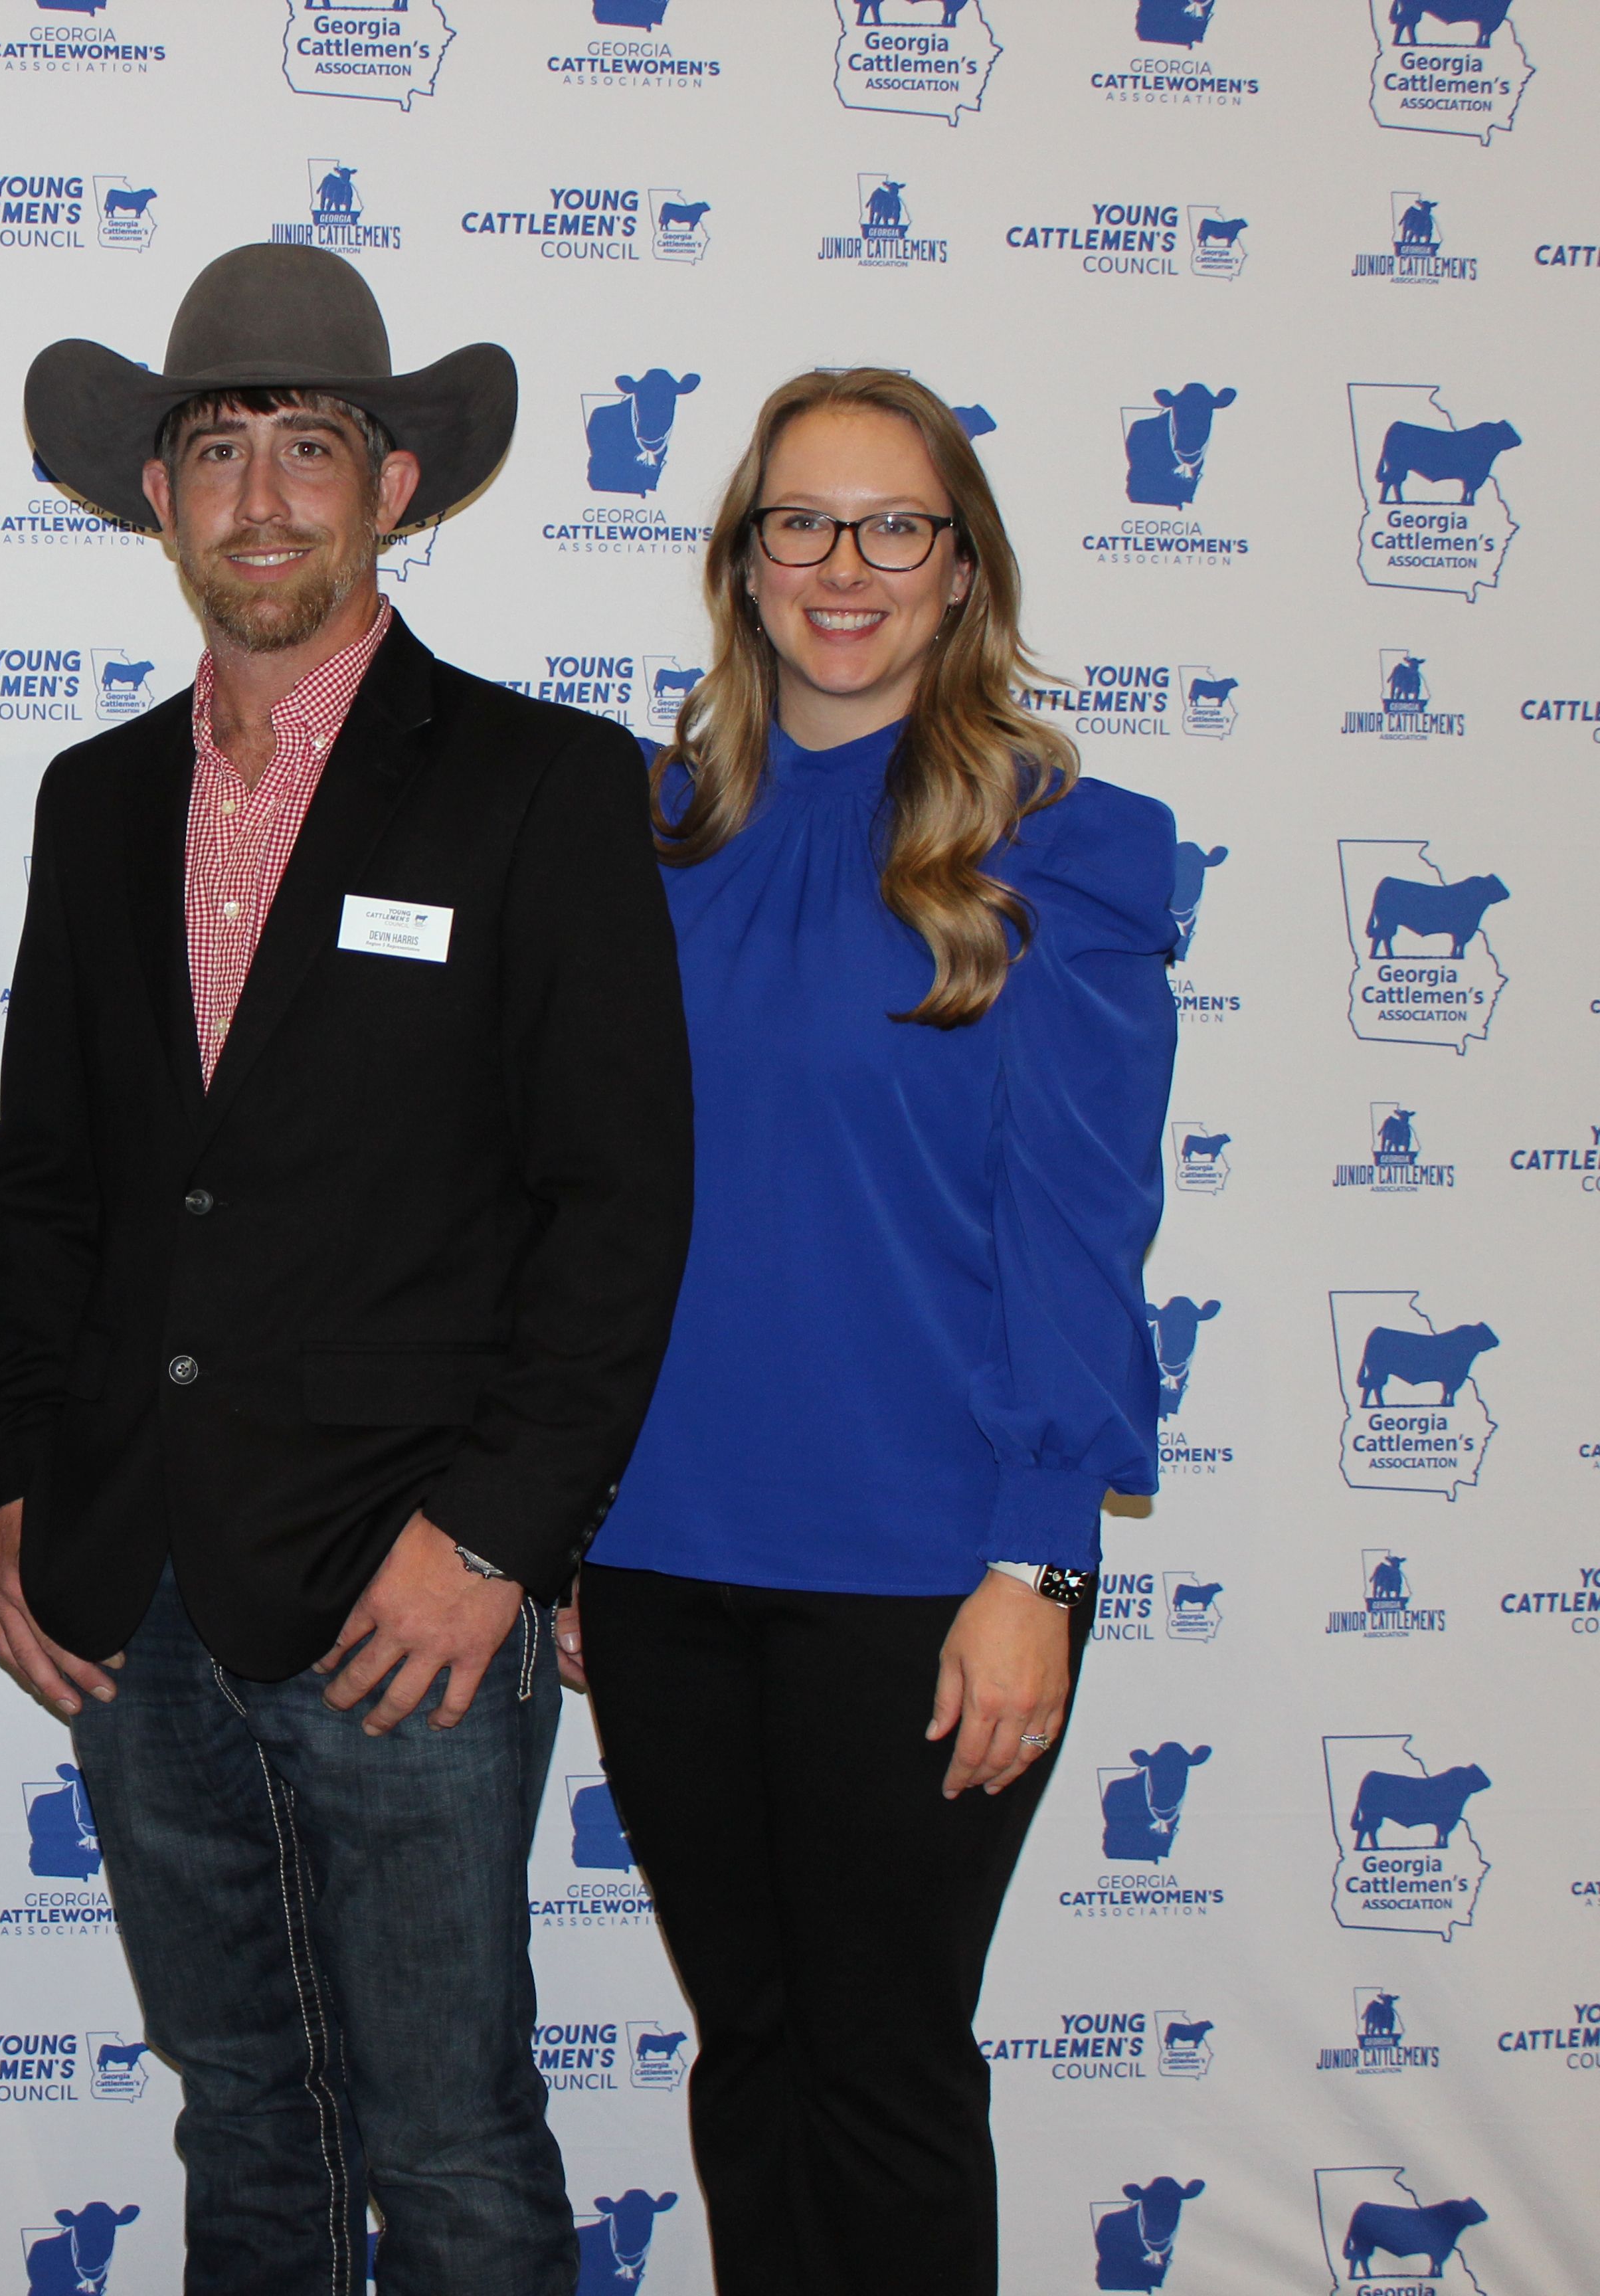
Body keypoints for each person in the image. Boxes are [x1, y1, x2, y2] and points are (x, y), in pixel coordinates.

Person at [0, 244, 697, 2296]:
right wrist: (15, 1490)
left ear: (395, 487)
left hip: (413, 1603)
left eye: (313, 447)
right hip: (138, 1592)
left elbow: (617, 1205)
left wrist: (497, 1533)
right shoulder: (93, 800)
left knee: (452, 2148)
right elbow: (51, 1186)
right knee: (245, 2129)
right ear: (160, 497)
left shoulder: (546, 784)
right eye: (219, 450)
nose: (264, 496)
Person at [569, 366, 1176, 2296]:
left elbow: (1082, 1226)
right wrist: (561, 1517)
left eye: (894, 526)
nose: (845, 567)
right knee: (748, 2061)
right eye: (799, 525)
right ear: (741, 567)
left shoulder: (1062, 840)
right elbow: (571, 1207)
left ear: (961, 567)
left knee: (885, 2074)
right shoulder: (637, 833)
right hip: (658, 1561)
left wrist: (1038, 1560)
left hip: (924, 1575)